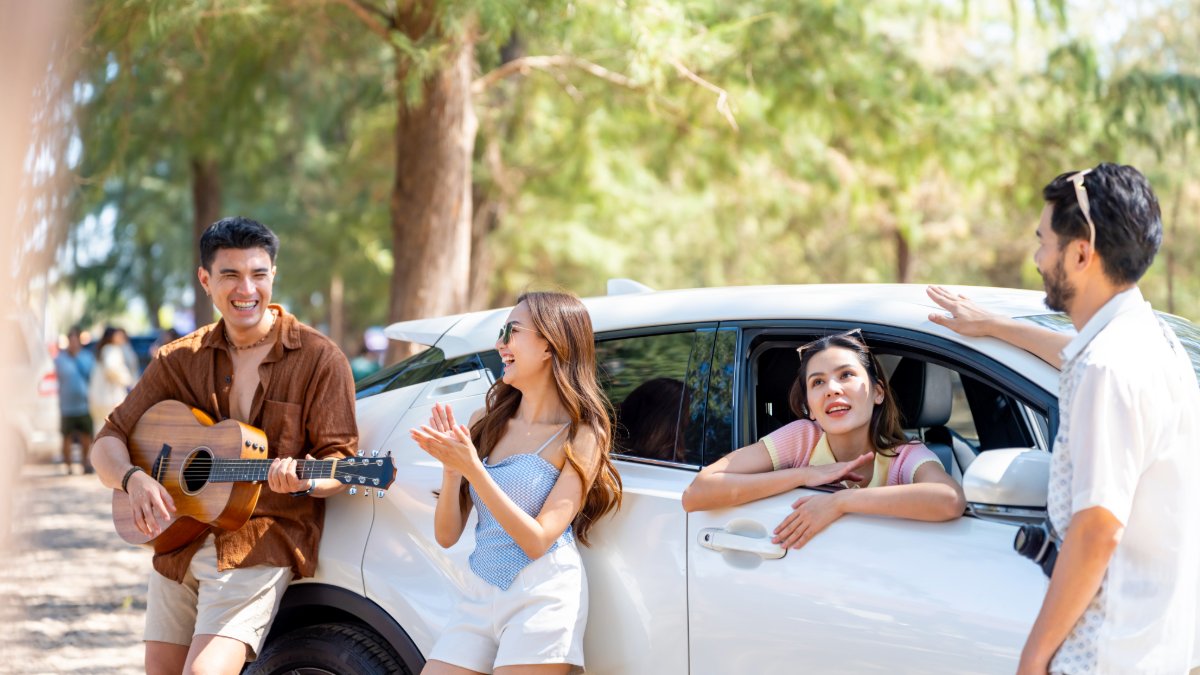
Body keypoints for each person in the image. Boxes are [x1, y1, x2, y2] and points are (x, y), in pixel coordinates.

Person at [927, 163, 1200, 675]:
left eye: (1043, 242)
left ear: (1080, 253)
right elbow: (1080, 352)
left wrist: (1033, 659)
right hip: (1152, 650)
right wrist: (992, 326)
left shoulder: (1107, 368)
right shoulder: (1151, 340)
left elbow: (1097, 529)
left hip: (1103, 656)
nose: (1036, 258)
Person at [90, 216, 359, 675]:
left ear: (273, 274)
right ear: (205, 280)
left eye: (258, 274)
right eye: (230, 275)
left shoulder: (319, 358)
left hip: (260, 542)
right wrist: (134, 480)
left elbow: (342, 462)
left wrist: (302, 482)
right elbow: (108, 440)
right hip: (177, 537)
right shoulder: (180, 358)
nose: (246, 289)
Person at [410, 291, 622, 675]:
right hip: (479, 592)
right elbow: (446, 536)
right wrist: (452, 468)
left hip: (542, 596)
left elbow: (539, 540)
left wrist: (474, 469)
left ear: (550, 345)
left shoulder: (583, 435)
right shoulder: (485, 420)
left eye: (512, 331)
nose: (500, 343)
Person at [681, 329, 966, 548]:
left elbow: (950, 500)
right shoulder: (801, 438)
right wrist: (803, 475)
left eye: (846, 375)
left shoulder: (905, 455)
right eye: (817, 382)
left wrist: (841, 502)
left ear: (878, 392)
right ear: (810, 407)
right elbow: (697, 493)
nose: (831, 389)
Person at [52, 326, 95, 474]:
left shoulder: (87, 357)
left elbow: (92, 378)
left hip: (84, 404)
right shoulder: (59, 359)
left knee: (86, 437)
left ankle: (85, 463)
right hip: (66, 406)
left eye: (76, 340)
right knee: (66, 437)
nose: (73, 343)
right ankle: (69, 466)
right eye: (71, 340)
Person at [89, 326, 135, 435]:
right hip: (109, 399)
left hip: (99, 399)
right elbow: (112, 369)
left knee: (100, 431)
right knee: (111, 433)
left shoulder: (102, 350)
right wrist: (127, 380)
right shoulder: (111, 349)